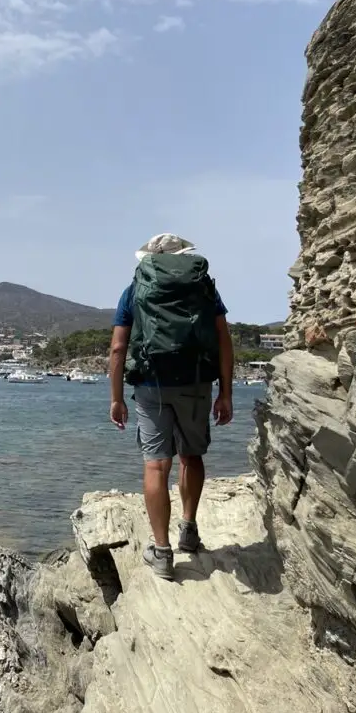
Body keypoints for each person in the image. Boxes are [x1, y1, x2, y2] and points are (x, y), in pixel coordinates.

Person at [108, 233, 234, 581]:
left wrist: (116, 397)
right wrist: (226, 392)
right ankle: (189, 532)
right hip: (195, 382)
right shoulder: (204, 288)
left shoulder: (136, 289)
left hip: (151, 385)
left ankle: (162, 554)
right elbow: (224, 340)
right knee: (191, 456)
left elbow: (119, 349)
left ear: (149, 258)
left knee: (156, 465)